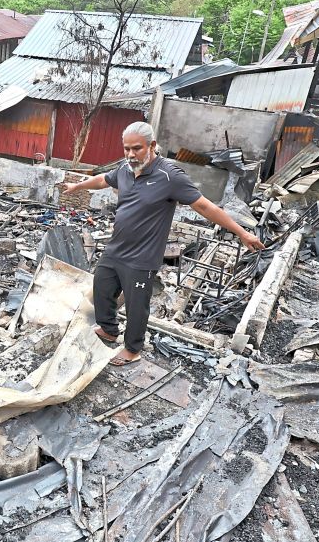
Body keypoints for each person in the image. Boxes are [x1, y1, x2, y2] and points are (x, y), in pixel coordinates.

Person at [61, 121, 264, 366]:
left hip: (143, 256)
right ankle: (109, 329)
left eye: (137, 148)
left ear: (152, 145)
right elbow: (104, 180)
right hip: (116, 248)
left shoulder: (170, 176)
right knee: (102, 288)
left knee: (137, 305)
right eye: (126, 148)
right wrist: (78, 185)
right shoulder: (125, 169)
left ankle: (133, 349)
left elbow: (204, 206)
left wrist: (242, 233)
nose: (130, 154)